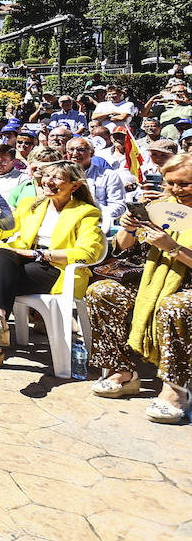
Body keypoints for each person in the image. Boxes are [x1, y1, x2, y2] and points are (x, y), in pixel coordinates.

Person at [0, 160, 104, 370]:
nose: (48, 181)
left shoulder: (86, 212)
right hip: (22, 261)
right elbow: (2, 233)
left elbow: (89, 253)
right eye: (47, 176)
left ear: (74, 185)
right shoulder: (31, 205)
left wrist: (39, 254)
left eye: (56, 178)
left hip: (57, 268)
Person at [87, 153, 192, 423]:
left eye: (185, 184)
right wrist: (128, 227)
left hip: (186, 285)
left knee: (174, 306)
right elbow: (122, 248)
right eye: (172, 183)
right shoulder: (160, 207)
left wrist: (173, 248)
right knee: (103, 292)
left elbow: (174, 250)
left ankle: (176, 387)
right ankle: (123, 372)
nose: (177, 190)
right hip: (149, 281)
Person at [65, 137, 127, 230]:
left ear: (92, 153)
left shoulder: (108, 175)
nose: (75, 153)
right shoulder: (59, 175)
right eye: (71, 149)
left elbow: (118, 205)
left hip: (97, 224)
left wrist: (95, 215)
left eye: (80, 150)